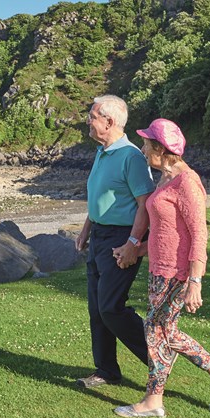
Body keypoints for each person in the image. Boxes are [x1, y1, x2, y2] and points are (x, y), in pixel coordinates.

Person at [113, 117, 210, 418]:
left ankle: (154, 399)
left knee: (156, 330)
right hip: (160, 268)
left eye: (146, 144)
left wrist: (195, 280)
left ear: (160, 149)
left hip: (177, 272)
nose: (142, 149)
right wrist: (136, 249)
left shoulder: (187, 182)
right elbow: (166, 231)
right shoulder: (166, 178)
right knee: (162, 330)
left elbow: (198, 234)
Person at [73, 95, 155, 389]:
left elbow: (145, 203)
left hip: (122, 238)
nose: (88, 120)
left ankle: (159, 361)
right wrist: (86, 229)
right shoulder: (102, 151)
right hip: (99, 236)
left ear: (109, 122)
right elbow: (100, 198)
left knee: (110, 308)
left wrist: (134, 242)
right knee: (97, 309)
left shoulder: (131, 156)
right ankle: (106, 370)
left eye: (92, 115)